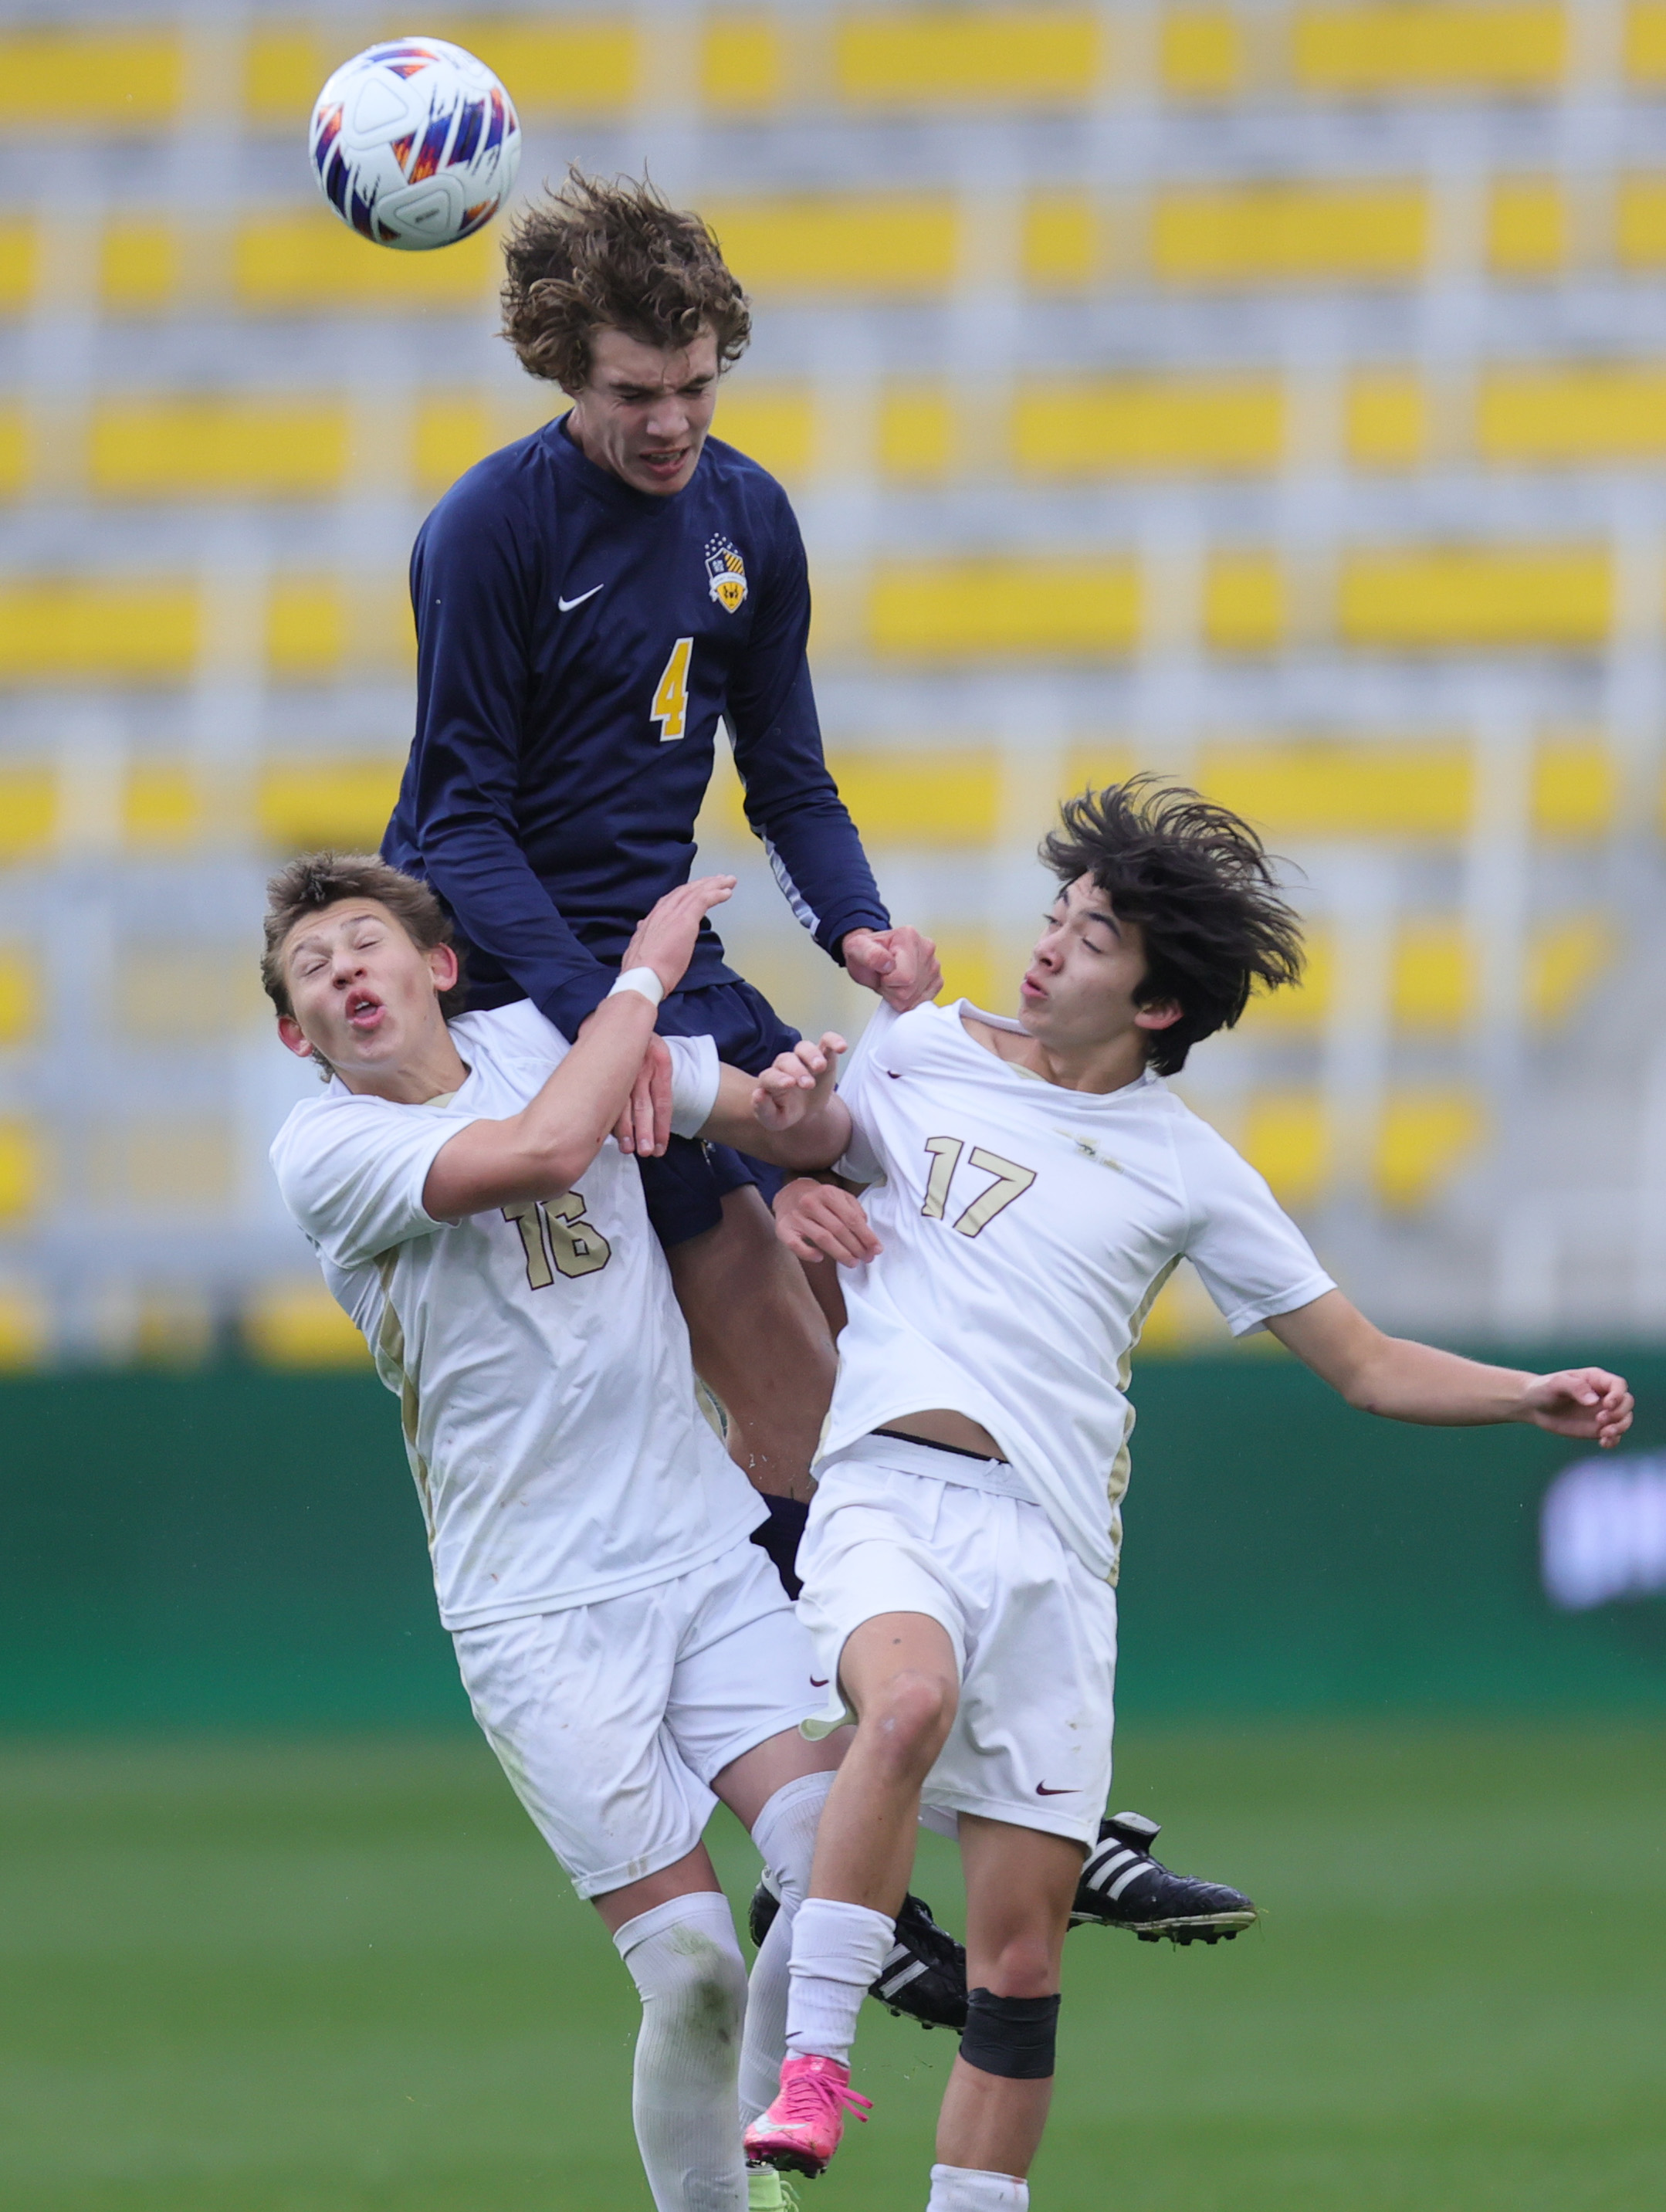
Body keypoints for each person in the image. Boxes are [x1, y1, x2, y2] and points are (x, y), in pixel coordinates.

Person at [740, 781, 1635, 2207]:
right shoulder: (917, 1051)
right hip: (888, 1493)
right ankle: (814, 2065)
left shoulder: (1188, 1168)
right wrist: (778, 1178)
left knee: (1019, 1961)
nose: (1048, 945)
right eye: (1057, 914)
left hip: (1051, 1555)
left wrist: (1524, 1392)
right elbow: (757, 1132)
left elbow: (1363, 1361)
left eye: (1092, 937)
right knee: (903, 1704)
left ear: (1155, 1005)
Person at [262, 850, 869, 2212]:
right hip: (533, 1609)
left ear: (440, 966)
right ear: (298, 1035)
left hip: (701, 1548)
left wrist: (799, 1143)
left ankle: (776, 2144)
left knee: (838, 1862)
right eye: (312, 968)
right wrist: (642, 975)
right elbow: (545, 1148)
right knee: (695, 1969)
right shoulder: (327, 1148)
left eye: (365, 943)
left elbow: (755, 1114)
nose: (345, 970)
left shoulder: (545, 1036)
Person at [381, 168, 940, 1561]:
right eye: (636, 393)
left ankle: (820, 1626)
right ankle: (822, 1668)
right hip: (531, 990)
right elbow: (456, 825)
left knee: (898, 1302)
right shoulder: (488, 530)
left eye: (696, 384)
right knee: (809, 1405)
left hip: (665, 969)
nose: (673, 421)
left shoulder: (748, 517)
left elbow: (788, 779)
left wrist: (860, 931)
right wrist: (608, 1025)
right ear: (564, 370)